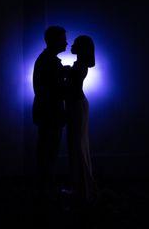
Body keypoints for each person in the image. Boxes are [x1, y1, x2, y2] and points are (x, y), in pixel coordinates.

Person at [32, 25, 68, 199]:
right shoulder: (50, 62)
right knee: (50, 151)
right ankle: (48, 191)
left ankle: (45, 189)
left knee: (46, 150)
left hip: (45, 112)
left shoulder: (45, 60)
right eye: (63, 39)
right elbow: (55, 90)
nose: (66, 42)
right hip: (51, 113)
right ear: (54, 41)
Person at [65, 35, 97, 204]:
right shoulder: (79, 66)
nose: (72, 44)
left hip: (76, 106)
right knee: (79, 145)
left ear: (81, 48)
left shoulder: (79, 66)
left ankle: (82, 190)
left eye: (76, 43)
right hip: (77, 105)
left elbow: (70, 88)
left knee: (77, 146)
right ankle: (81, 188)